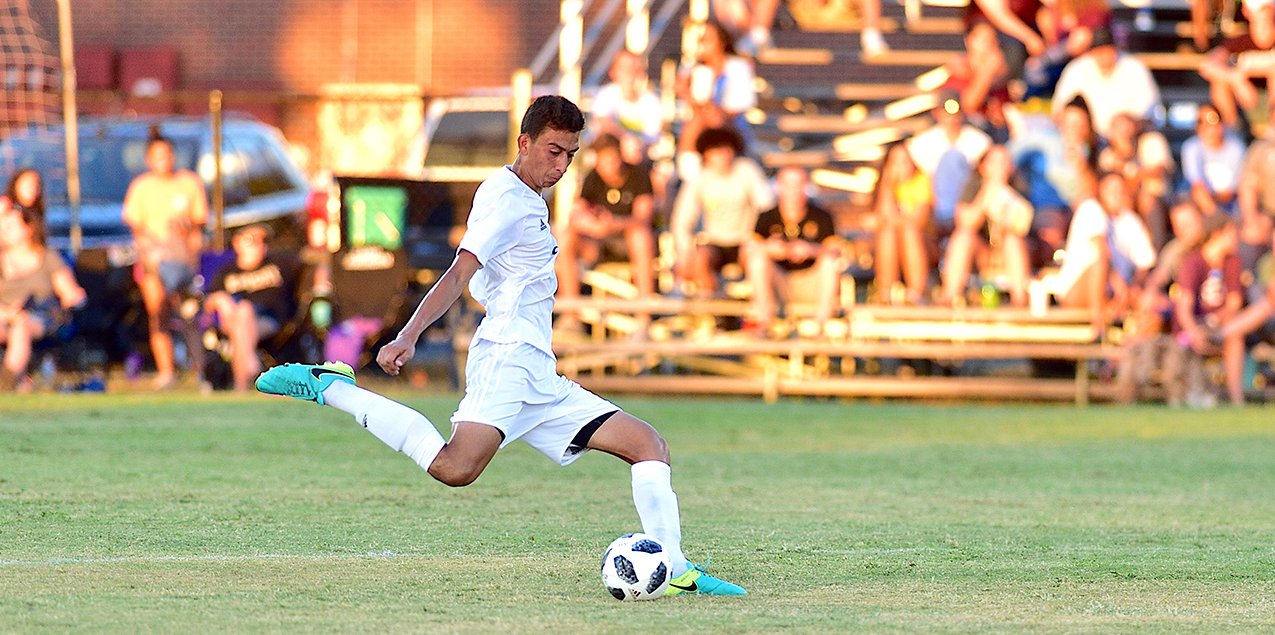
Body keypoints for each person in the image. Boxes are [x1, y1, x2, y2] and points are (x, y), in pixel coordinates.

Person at [254, 95, 746, 596]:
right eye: (553, 151)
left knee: (648, 446)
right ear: (524, 142)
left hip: (539, 370)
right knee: (455, 468)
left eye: (570, 155)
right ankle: (333, 387)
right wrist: (407, 334)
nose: (561, 165)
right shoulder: (506, 198)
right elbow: (459, 272)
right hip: (506, 357)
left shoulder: (531, 197)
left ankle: (677, 567)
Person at [122, 133, 208, 389]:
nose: (163, 160)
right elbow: (136, 226)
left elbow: (200, 220)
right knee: (158, 310)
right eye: (157, 155)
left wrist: (183, 227)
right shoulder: (141, 187)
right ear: (148, 159)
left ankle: (201, 370)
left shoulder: (188, 183)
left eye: (167, 154)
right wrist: (158, 248)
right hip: (154, 261)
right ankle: (166, 371)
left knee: (189, 313)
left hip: (184, 261)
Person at [555, 133, 656, 331]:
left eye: (611, 161)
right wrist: (592, 225)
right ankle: (571, 315)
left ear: (620, 156)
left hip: (628, 242)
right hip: (599, 244)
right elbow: (576, 214)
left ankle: (644, 317)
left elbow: (644, 218)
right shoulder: (593, 177)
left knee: (640, 236)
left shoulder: (639, 175)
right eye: (603, 162)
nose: (607, 168)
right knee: (566, 237)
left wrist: (615, 224)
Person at [1117, 198, 1205, 403]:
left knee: (1152, 323)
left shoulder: (1210, 247)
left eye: (1188, 224)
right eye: (1178, 226)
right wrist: (1153, 296)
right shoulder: (1177, 249)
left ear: (1201, 219)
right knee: (1147, 309)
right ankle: (1130, 381)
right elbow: (1157, 279)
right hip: (1176, 316)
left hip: (1200, 315)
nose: (1184, 231)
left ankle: (1126, 375)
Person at [671, 127, 774, 297]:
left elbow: (766, 207)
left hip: (745, 241)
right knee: (699, 259)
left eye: (726, 149)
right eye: (716, 150)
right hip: (715, 243)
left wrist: (758, 237)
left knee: (757, 258)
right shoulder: (700, 180)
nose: (723, 155)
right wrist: (684, 252)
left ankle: (753, 309)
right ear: (706, 154)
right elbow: (681, 220)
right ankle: (712, 306)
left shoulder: (747, 171)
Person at [204, 224, 303, 394]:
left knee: (244, 311)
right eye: (251, 240)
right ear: (237, 243)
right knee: (242, 311)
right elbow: (208, 302)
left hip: (270, 321)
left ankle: (241, 387)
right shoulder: (227, 271)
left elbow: (316, 262)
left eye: (262, 240)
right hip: (234, 320)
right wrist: (221, 299)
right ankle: (250, 364)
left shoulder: (279, 262)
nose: (259, 244)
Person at [0, 199, 86, 391]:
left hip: (40, 317)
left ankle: (8, 380)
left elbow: (69, 291)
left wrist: (74, 298)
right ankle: (20, 381)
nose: (4, 229)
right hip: (5, 315)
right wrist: (6, 313)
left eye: (11, 225)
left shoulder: (48, 257)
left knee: (21, 327)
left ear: (29, 228)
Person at [743, 166, 841, 332]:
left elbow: (836, 251)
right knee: (757, 260)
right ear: (779, 187)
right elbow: (747, 251)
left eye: (799, 184)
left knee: (830, 262)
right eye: (788, 185)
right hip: (779, 283)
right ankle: (764, 321)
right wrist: (771, 249)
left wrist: (812, 250)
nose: (794, 191)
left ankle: (822, 325)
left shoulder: (822, 215)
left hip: (811, 283)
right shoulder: (766, 217)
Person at [1164, 212, 1244, 407]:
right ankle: (1186, 394)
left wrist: (1214, 321)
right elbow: (1184, 306)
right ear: (1217, 234)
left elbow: (1234, 303)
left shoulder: (1232, 261)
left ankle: (1237, 401)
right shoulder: (1193, 261)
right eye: (1231, 232)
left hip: (1219, 326)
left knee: (1235, 339)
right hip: (1192, 328)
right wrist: (1194, 330)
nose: (1236, 237)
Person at [940, 145, 1034, 307]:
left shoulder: (1019, 186)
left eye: (1004, 162)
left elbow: (1021, 226)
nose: (999, 167)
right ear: (983, 166)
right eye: (994, 162)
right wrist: (987, 194)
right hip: (981, 253)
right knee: (964, 237)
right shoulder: (972, 186)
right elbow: (965, 222)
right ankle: (948, 298)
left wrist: (1003, 199)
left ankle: (1019, 302)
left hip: (1007, 253)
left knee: (1013, 240)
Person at [677, 21, 757, 174]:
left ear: (721, 41)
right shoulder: (693, 70)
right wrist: (685, 91)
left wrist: (711, 109)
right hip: (700, 123)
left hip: (731, 126)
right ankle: (690, 174)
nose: (702, 45)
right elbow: (689, 108)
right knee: (699, 118)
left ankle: (690, 171)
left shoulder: (738, 67)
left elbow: (738, 109)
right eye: (699, 40)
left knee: (709, 117)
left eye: (706, 39)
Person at [1050, 27, 1160, 138]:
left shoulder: (1134, 67)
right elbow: (1060, 108)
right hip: (1088, 139)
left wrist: (1128, 124)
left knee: (1154, 142)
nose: (1105, 55)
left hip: (1129, 138)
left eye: (1108, 50)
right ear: (1091, 52)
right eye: (1100, 51)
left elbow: (1148, 109)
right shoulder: (1077, 69)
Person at [873, 142, 934, 305]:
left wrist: (887, 220)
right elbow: (883, 214)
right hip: (894, 244)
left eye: (905, 161)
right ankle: (886, 294)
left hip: (926, 245)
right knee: (887, 232)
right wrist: (888, 182)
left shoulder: (922, 181)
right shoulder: (885, 185)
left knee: (909, 231)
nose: (901, 166)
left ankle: (915, 294)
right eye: (896, 162)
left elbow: (918, 221)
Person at [1198, 0, 1275, 129]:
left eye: (1267, 8)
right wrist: (1236, 79)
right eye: (1260, 8)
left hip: (1269, 103)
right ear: (1246, 11)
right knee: (1219, 83)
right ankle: (1233, 130)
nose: (1264, 13)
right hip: (1244, 105)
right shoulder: (1238, 43)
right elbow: (1207, 65)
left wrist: (1253, 71)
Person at [589, 50, 663, 166]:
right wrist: (626, 140)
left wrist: (634, 147)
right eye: (625, 69)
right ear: (613, 72)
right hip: (608, 156)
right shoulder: (606, 95)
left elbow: (651, 139)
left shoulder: (652, 101)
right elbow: (603, 123)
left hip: (642, 158)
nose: (631, 74)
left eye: (635, 69)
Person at [1180, 103, 1246, 218]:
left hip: (1230, 205)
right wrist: (1215, 213)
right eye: (1201, 122)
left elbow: (1232, 191)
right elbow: (1197, 186)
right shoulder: (1191, 148)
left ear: (1222, 123)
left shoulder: (1236, 148)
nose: (1207, 127)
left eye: (1212, 120)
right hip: (1200, 205)